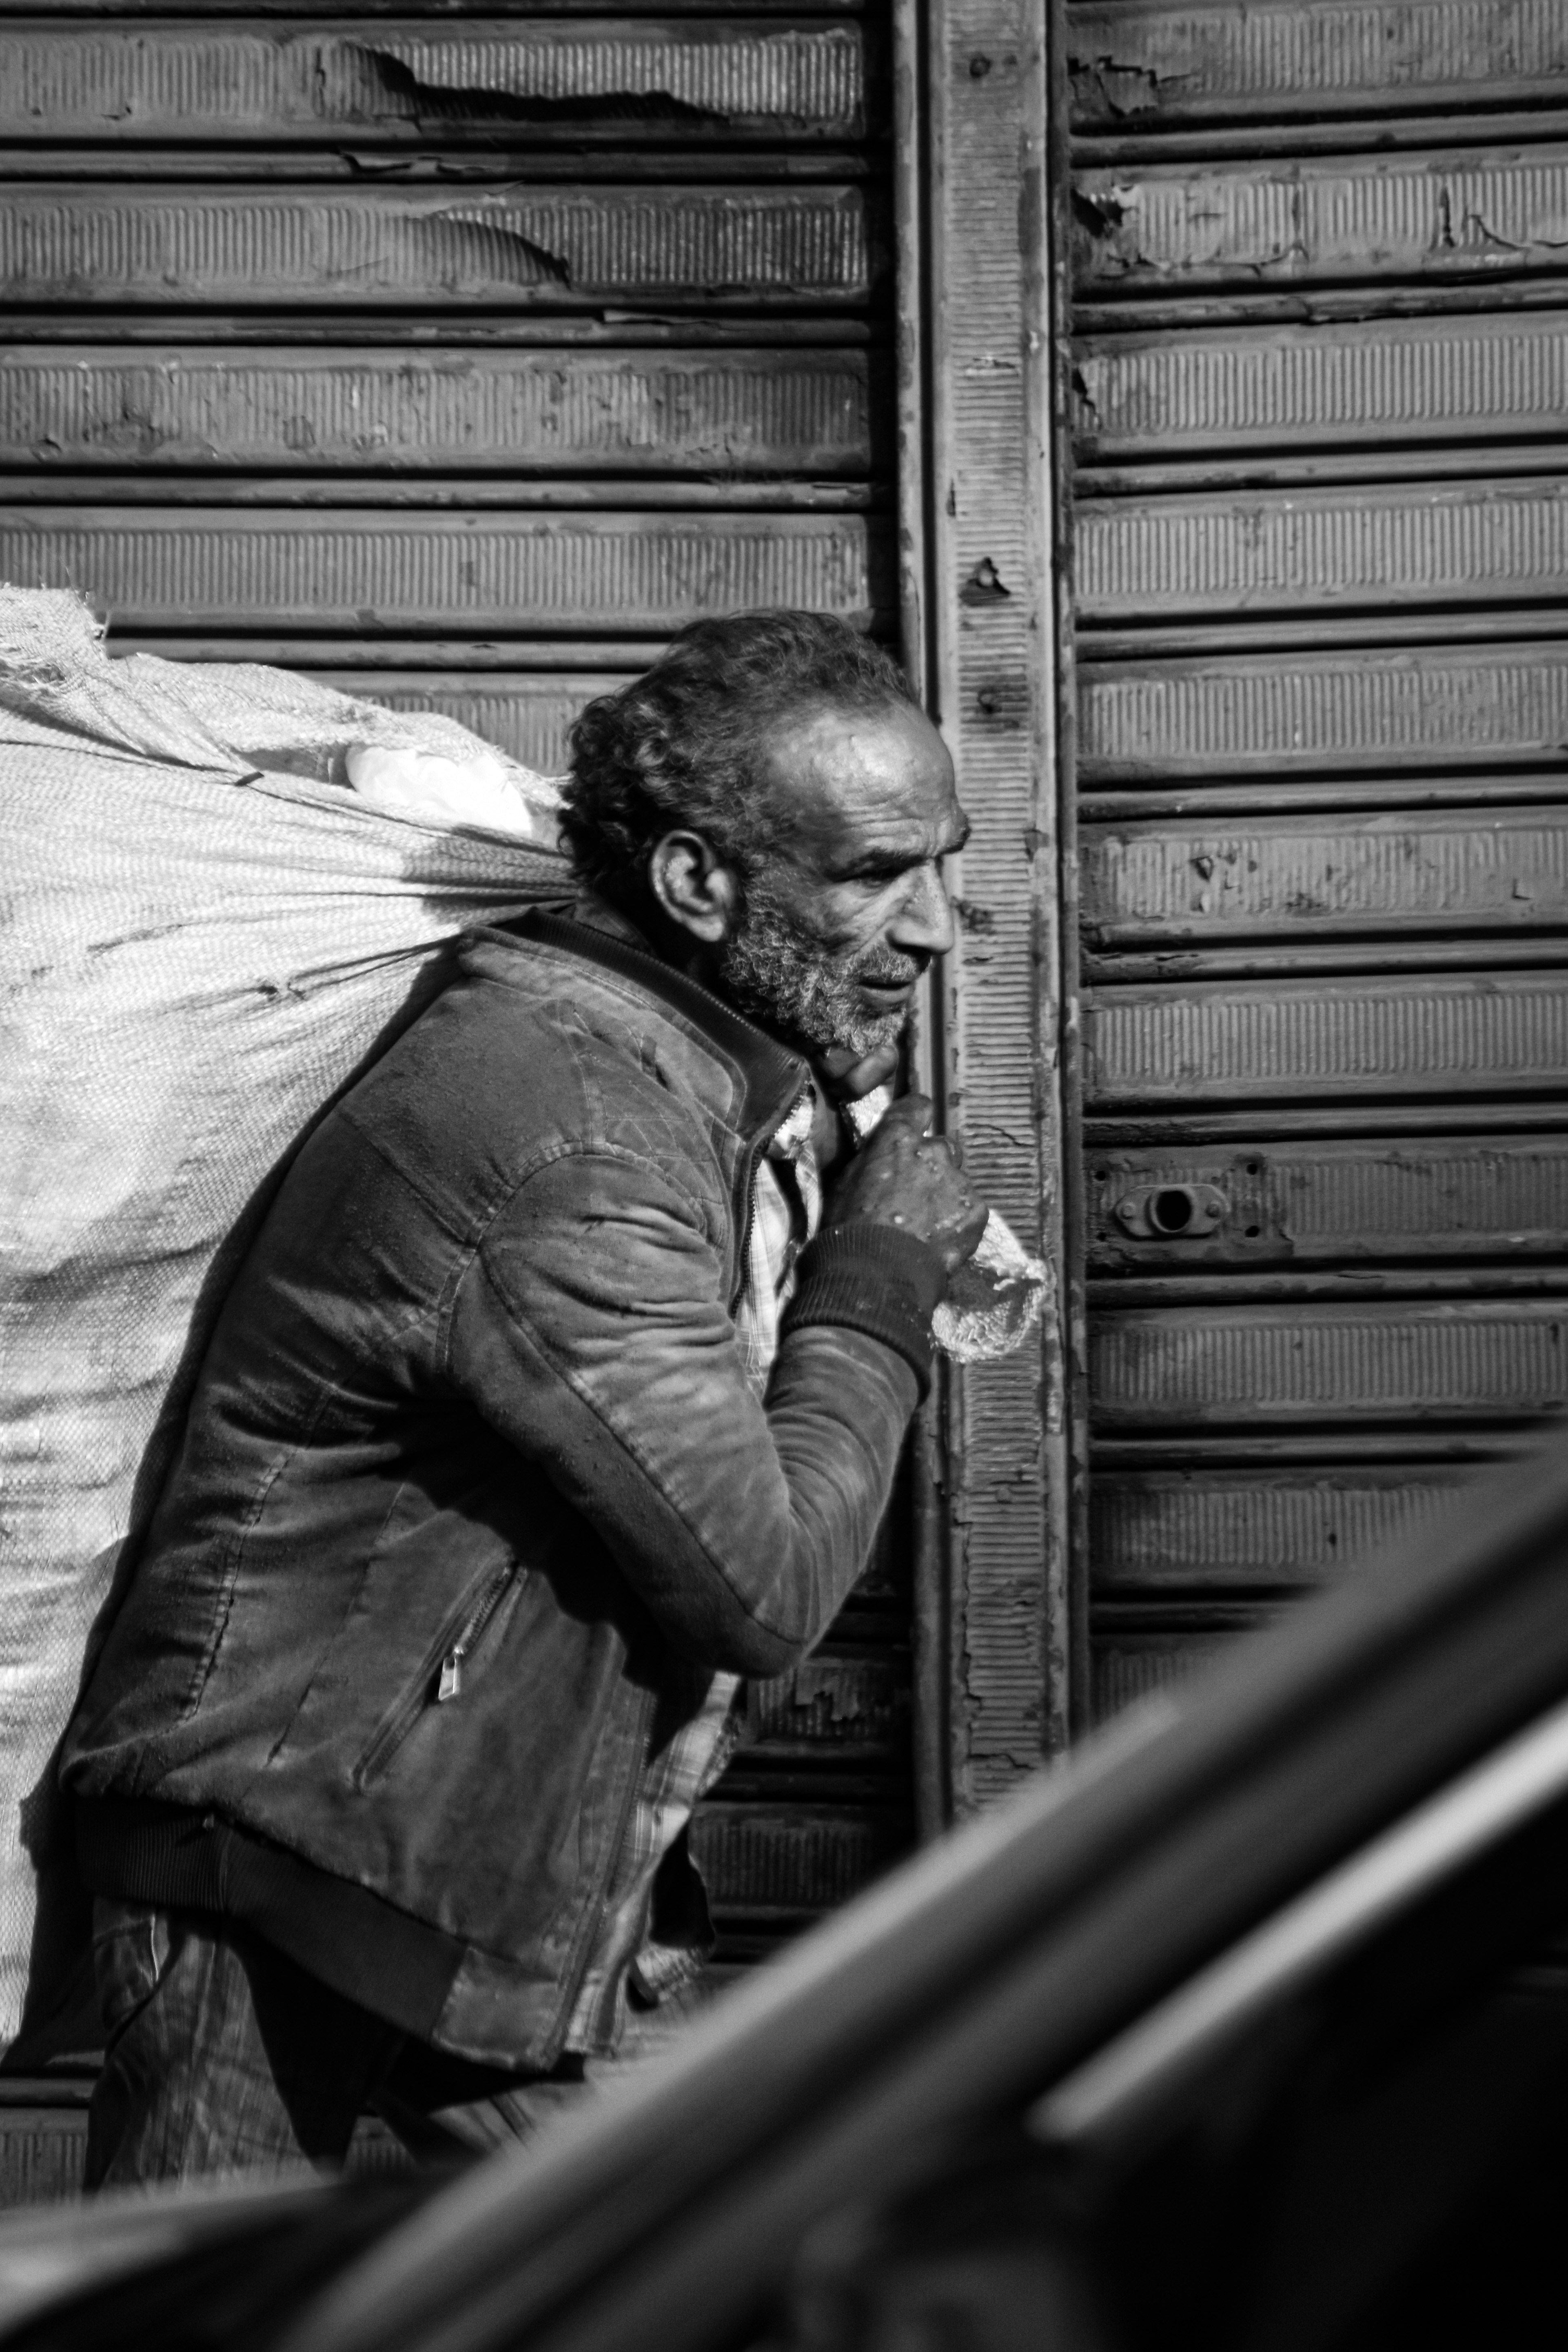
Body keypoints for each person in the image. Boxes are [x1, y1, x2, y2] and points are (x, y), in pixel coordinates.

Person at [60, 610, 986, 2183]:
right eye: (870, 873)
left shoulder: (670, 1078)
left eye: (941, 864)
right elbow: (759, 1581)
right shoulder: (575, 1139)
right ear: (695, 884)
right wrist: (880, 1276)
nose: (936, 928)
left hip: (429, 1869)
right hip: (285, 1869)